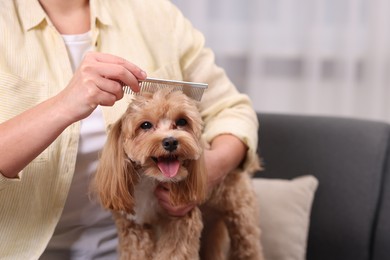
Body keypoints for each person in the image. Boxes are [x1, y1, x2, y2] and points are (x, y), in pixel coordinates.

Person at [0, 0, 259, 259]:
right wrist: (63, 106)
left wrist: (209, 170)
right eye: (147, 125)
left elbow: (233, 110)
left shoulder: (155, 13)